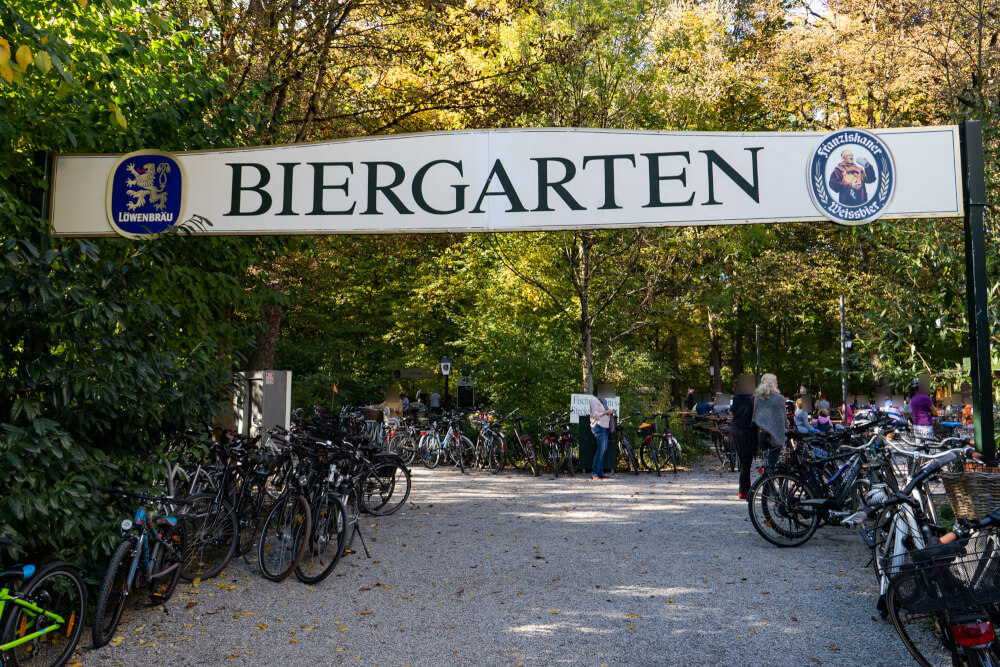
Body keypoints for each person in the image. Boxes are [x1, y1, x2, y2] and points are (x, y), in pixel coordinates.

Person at [730, 375, 759, 499]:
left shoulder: (736, 398)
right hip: (748, 431)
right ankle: (743, 490)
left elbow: (732, 411)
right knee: (746, 462)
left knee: (743, 461)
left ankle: (747, 488)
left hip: (736, 430)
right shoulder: (752, 398)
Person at [753, 373, 787, 470]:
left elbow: (755, 416)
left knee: (767, 460)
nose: (777, 383)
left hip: (762, 433)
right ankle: (768, 483)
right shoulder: (780, 398)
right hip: (775, 434)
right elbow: (782, 417)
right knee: (773, 461)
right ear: (772, 383)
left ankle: (766, 482)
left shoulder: (757, 397)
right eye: (776, 381)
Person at [588, 385, 617, 480]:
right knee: (600, 450)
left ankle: (600, 472)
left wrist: (610, 411)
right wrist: (607, 412)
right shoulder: (593, 400)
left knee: (603, 450)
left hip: (605, 426)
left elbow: (603, 411)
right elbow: (596, 415)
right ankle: (595, 473)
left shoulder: (602, 400)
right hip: (598, 426)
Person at [910, 375, 938, 444]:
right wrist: (931, 413)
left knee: (918, 446)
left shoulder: (912, 399)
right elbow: (935, 413)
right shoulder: (926, 398)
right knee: (928, 447)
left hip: (916, 425)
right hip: (926, 426)